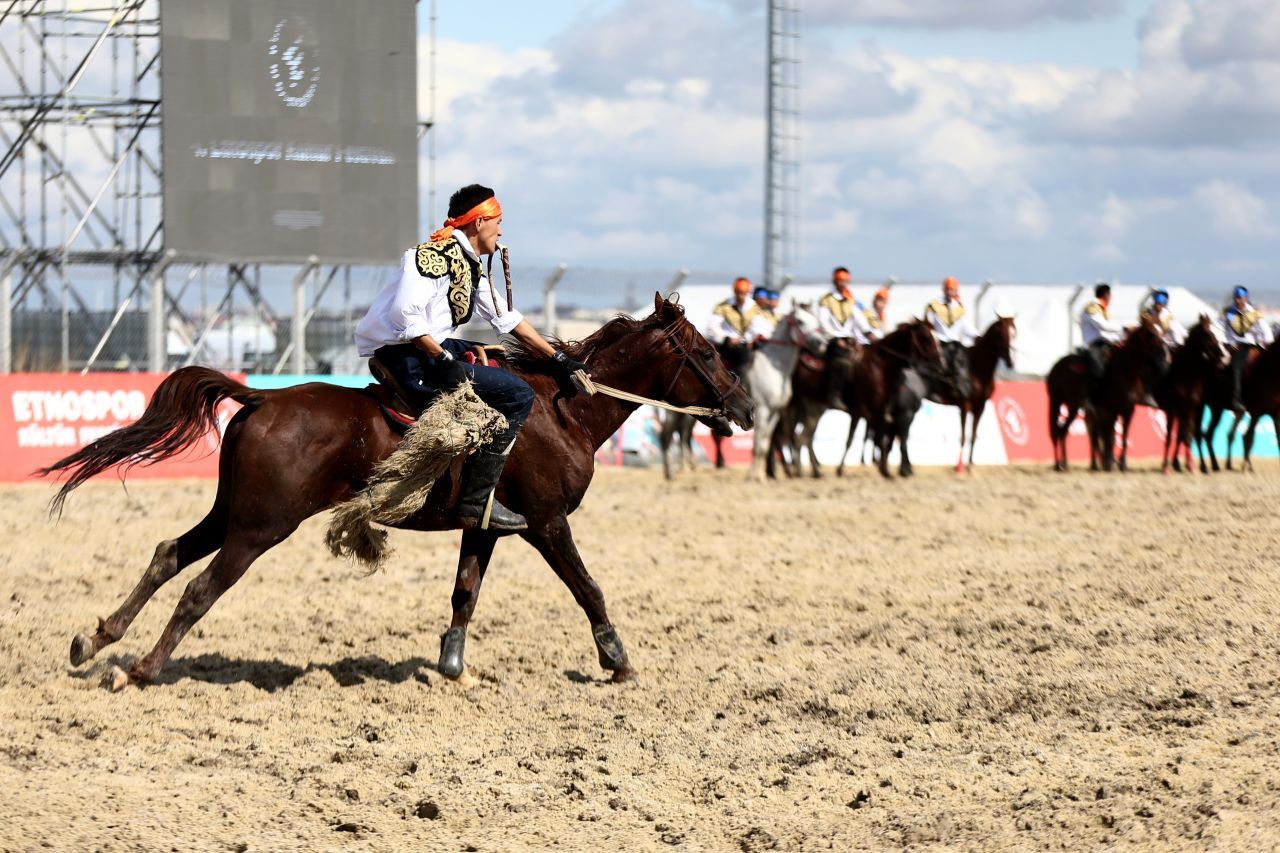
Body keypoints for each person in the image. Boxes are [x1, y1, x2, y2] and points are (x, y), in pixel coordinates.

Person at [354, 183, 588, 532]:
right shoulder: (428, 257)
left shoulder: (470, 266)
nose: (501, 229)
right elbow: (406, 315)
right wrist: (444, 359)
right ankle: (476, 502)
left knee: (499, 369)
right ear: (479, 222)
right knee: (519, 394)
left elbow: (507, 319)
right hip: (409, 356)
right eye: (498, 220)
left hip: (429, 351)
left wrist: (557, 359)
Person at [817, 267, 873, 406]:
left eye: (845, 281)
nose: (843, 284)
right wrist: (835, 338)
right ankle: (834, 395)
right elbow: (823, 321)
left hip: (850, 340)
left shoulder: (850, 300)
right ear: (835, 281)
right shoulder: (826, 300)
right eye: (840, 281)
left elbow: (859, 318)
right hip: (833, 340)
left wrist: (868, 333)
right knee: (842, 363)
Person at [1220, 285, 1274, 409]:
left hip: (1250, 346)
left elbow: (1267, 333)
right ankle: (1230, 397)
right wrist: (1226, 342)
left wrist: (1260, 346)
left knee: (1241, 366)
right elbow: (1219, 328)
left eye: (1240, 298)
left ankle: (1244, 398)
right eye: (1236, 298)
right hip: (1231, 346)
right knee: (1229, 365)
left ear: (1246, 298)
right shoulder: (1228, 313)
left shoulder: (1254, 314)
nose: (1238, 300)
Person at [924, 277, 978, 398]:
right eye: (948, 289)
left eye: (953, 290)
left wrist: (977, 337)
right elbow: (928, 325)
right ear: (944, 290)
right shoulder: (934, 305)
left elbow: (966, 327)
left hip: (955, 345)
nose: (950, 292)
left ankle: (963, 389)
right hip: (939, 343)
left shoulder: (959, 308)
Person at [703, 277, 757, 377]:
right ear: (734, 292)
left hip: (748, 345)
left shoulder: (754, 307)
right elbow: (712, 328)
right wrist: (727, 339)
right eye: (738, 292)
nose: (741, 296)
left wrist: (749, 339)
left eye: (743, 293)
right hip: (726, 345)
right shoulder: (722, 306)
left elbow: (756, 326)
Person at [1079, 282, 1125, 385]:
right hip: (1092, 345)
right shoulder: (1092, 308)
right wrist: (1124, 328)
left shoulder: (1102, 309)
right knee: (1099, 371)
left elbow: (1110, 332)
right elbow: (1103, 326)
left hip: (1105, 343)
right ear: (1107, 295)